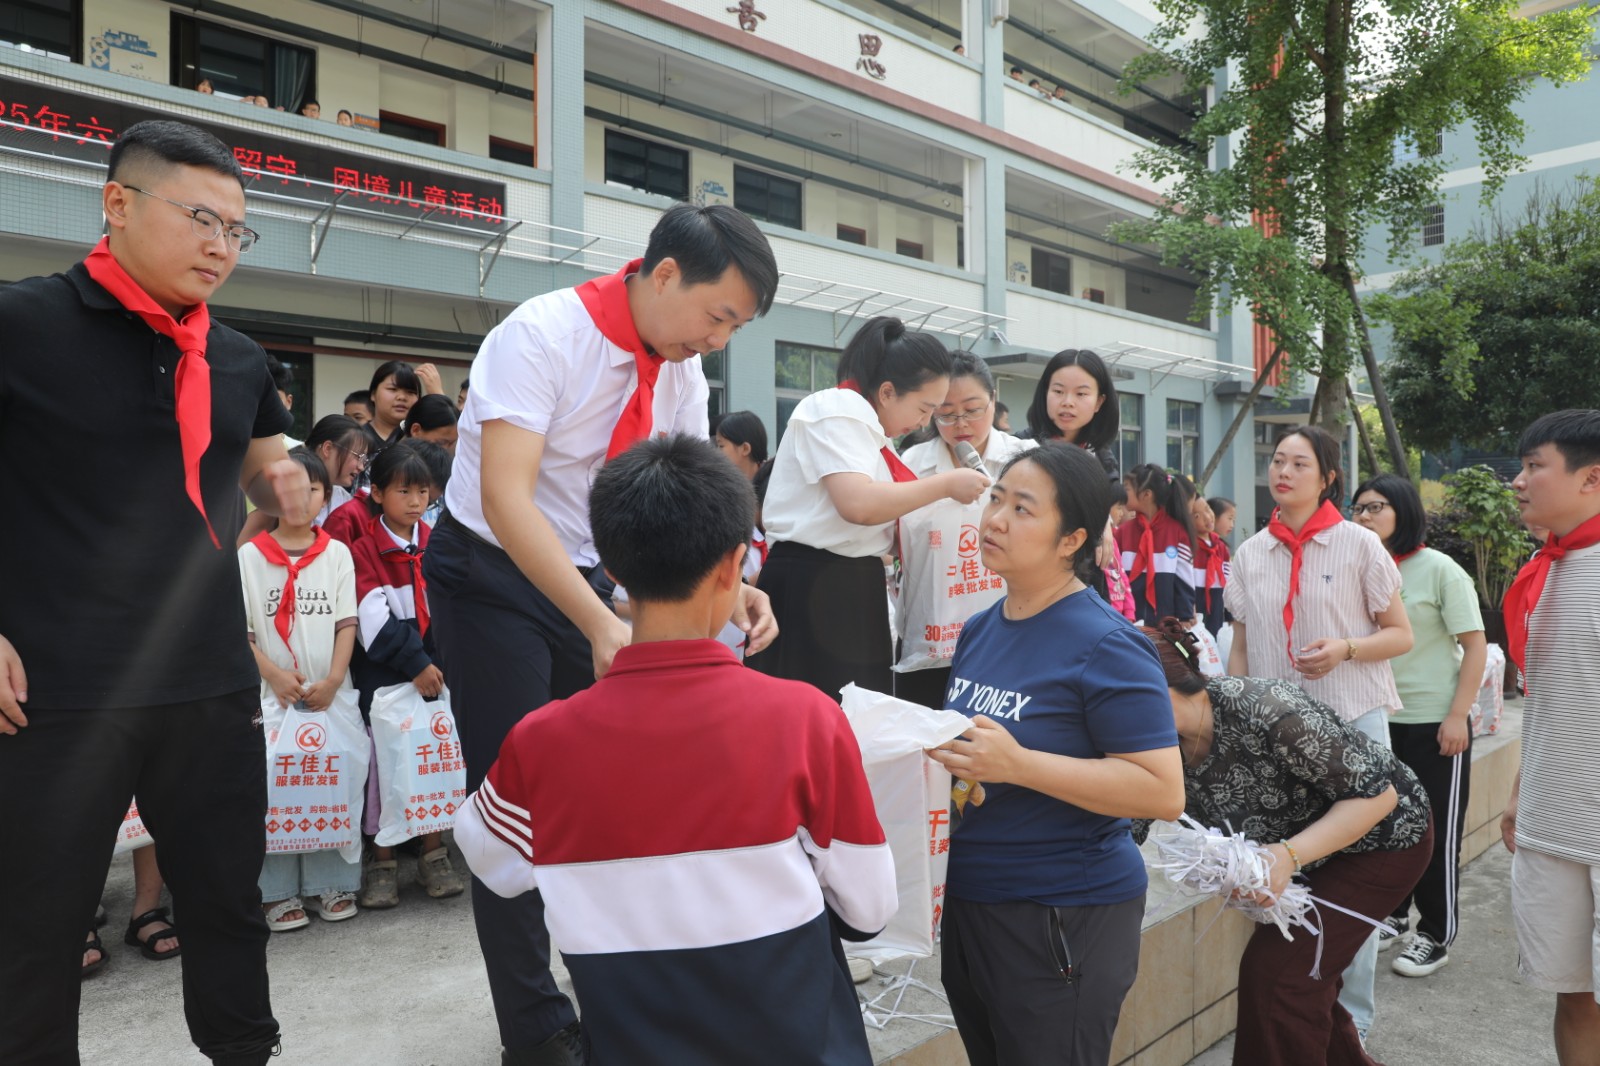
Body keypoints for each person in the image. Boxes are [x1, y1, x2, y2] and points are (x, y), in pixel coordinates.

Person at [424, 202, 781, 1065]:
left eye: (734, 328)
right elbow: (507, 499)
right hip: (490, 574)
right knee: (515, 797)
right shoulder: (541, 336)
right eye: (718, 317)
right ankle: (536, 1031)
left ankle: (618, 991)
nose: (718, 340)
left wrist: (733, 581)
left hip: (582, 577)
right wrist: (598, 620)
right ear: (667, 274)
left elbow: (685, 502)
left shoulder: (680, 374)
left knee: (608, 793)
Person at [0, 119, 307, 1066]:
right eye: (200, 219)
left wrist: (287, 489)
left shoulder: (238, 358)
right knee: (36, 925)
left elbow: (271, 480)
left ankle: (243, 1053)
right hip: (55, 688)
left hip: (206, 679)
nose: (222, 246)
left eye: (236, 229)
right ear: (118, 203)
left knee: (226, 905)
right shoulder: (21, 324)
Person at [457, 434, 895, 1062]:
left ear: (611, 569)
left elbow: (489, 859)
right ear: (734, 567)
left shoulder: (540, 742)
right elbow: (869, 910)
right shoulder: (808, 721)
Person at [926, 443, 1184, 1066]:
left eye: (1022, 508)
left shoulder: (1107, 643)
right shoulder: (981, 628)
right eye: (995, 499)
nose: (995, 519)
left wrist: (1018, 765)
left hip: (1061, 911)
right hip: (972, 899)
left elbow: (1162, 791)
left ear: (1071, 540)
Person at [1137, 619, 1433, 1066]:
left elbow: (1378, 796)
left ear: (1146, 689)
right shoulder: (1147, 743)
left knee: (1279, 978)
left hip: (1381, 841)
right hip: (1301, 854)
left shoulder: (1265, 707)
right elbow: (1125, 820)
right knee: (1298, 979)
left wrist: (1286, 857)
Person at [1224, 424, 1413, 1043]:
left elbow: (1400, 635)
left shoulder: (1360, 544)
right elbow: (1243, 647)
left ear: (1328, 477)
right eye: (1277, 460)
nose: (1282, 472)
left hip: (1353, 726)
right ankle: (1295, 1012)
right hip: (1277, 739)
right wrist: (1236, 719)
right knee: (1284, 874)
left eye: (1299, 463)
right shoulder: (1251, 552)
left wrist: (1346, 649)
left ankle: (1352, 1023)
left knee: (1356, 876)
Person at [749, 317, 988, 701]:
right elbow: (857, 504)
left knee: (856, 717)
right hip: (812, 582)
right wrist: (945, 485)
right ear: (888, 392)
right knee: (816, 713)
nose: (923, 422)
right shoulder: (838, 408)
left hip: (852, 582)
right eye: (924, 408)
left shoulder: (875, 436)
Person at [1350, 474, 1485, 978]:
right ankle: (1393, 915)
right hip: (1376, 718)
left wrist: (1457, 715)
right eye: (1358, 508)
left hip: (1432, 721)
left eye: (1376, 507)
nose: (1364, 516)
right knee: (1387, 829)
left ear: (1403, 512)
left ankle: (1435, 933)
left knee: (1436, 831)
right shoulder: (1360, 567)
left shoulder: (1440, 569)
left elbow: (1475, 645)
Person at [1499, 409, 1600, 1066]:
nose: (1518, 481)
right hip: (1551, 823)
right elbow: (1551, 698)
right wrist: (1519, 789)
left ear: (1591, 479)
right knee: (1572, 996)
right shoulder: (1546, 569)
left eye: (1535, 466)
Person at [239, 448, 362, 930]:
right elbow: (243, 631)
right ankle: (276, 891)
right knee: (276, 785)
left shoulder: (336, 554)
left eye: (311, 489)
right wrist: (272, 674)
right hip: (272, 695)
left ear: (326, 497)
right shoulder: (250, 557)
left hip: (328, 693)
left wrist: (332, 680)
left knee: (332, 778)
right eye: (287, 489)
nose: (299, 498)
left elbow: (347, 623)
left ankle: (330, 882)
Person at [346, 443, 463, 907]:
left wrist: (437, 664)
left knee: (431, 757)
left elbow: (453, 610)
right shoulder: (363, 550)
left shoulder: (437, 543)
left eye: (422, 492)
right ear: (377, 493)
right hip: (385, 674)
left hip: (437, 671)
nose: (415, 501)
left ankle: (434, 853)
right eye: (403, 491)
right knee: (384, 765)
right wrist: (417, 663)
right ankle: (384, 860)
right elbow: (372, 621)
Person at [895, 352, 1034, 707]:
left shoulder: (1027, 458)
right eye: (946, 413)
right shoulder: (911, 463)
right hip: (931, 643)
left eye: (973, 409)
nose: (961, 424)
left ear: (993, 400)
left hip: (1011, 637)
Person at [1115, 463, 1198, 627]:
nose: (1123, 493)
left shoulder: (1177, 532)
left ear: (1146, 494)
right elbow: (1114, 578)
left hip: (1167, 625)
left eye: (1127, 489)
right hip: (1127, 623)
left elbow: (1184, 577)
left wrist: (1185, 616)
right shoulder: (1123, 533)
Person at [1019, 348, 1121, 482]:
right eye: (1058, 391)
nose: (1067, 402)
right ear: (1045, 394)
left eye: (1081, 394)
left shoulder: (1104, 462)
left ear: (1098, 402)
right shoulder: (1019, 447)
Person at [362, 360, 420, 457]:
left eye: (410, 392)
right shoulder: (356, 438)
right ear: (373, 394)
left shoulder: (422, 439)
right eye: (393, 389)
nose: (402, 397)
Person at [1192, 493, 1230, 635]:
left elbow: (1229, 581)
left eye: (1207, 509)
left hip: (1217, 608)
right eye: (1197, 516)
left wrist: (1230, 616)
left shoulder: (1221, 547)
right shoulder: (1189, 546)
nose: (1207, 517)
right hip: (1195, 610)